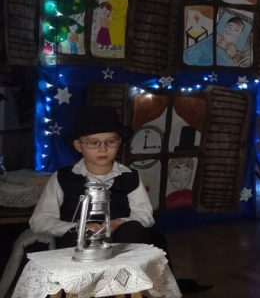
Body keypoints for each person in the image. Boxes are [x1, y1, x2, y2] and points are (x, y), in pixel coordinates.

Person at [30, 106, 165, 252]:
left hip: (120, 243)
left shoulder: (130, 176)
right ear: (79, 145)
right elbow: (40, 220)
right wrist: (78, 227)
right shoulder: (62, 177)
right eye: (93, 143)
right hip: (76, 245)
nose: (103, 149)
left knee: (133, 230)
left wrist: (118, 223)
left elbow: (144, 215)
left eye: (111, 141)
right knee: (75, 237)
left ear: (119, 143)